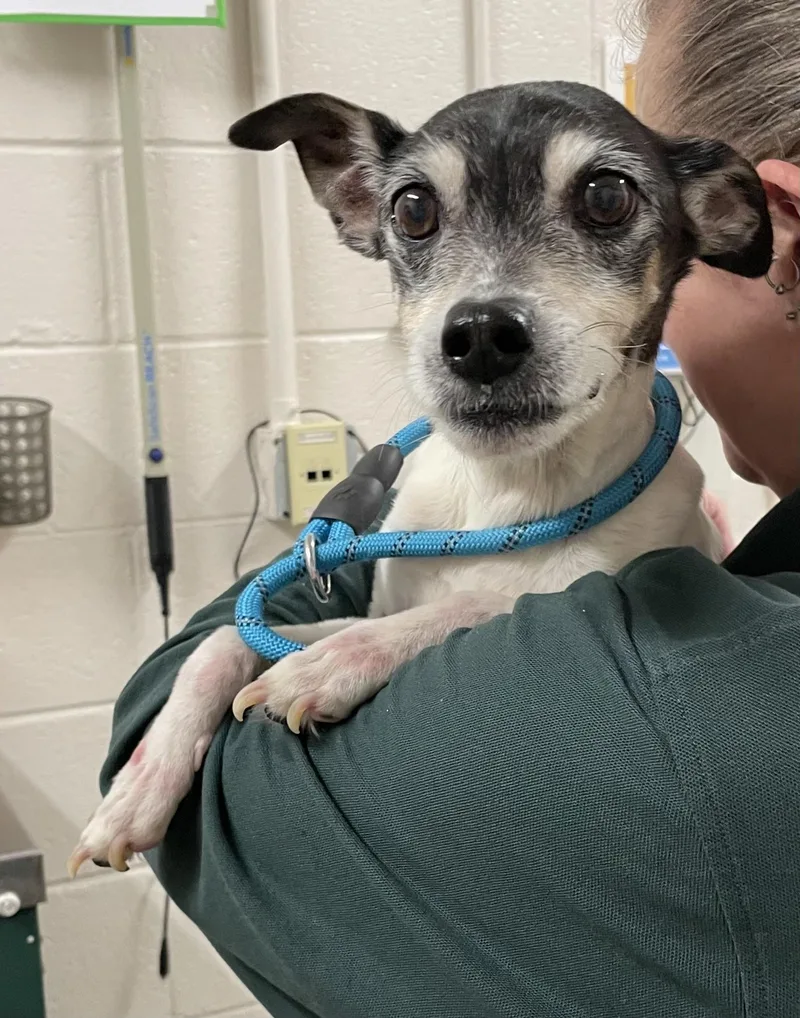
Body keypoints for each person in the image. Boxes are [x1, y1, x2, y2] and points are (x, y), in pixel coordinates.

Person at [100, 2, 800, 1015]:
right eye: (420, 217)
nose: (485, 313)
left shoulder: (680, 685)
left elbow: (207, 790)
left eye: (600, 205)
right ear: (363, 209)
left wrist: (320, 592)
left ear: (746, 226)